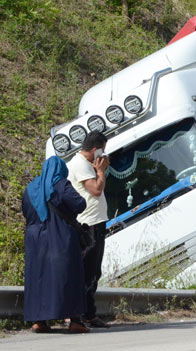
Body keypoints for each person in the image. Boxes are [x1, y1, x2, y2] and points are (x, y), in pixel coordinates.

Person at [23, 156, 90, 334]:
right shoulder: (60, 184)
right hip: (60, 237)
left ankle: (39, 321)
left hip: (35, 240)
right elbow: (80, 204)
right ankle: (75, 320)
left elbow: (26, 210)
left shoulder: (30, 188)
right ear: (61, 169)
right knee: (68, 276)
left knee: (38, 278)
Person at [67, 131, 110, 328]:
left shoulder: (86, 164)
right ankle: (84, 313)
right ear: (95, 149)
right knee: (89, 271)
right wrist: (101, 171)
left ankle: (88, 312)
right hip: (89, 224)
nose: (104, 154)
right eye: (103, 149)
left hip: (96, 222)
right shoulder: (80, 164)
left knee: (94, 271)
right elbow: (96, 189)